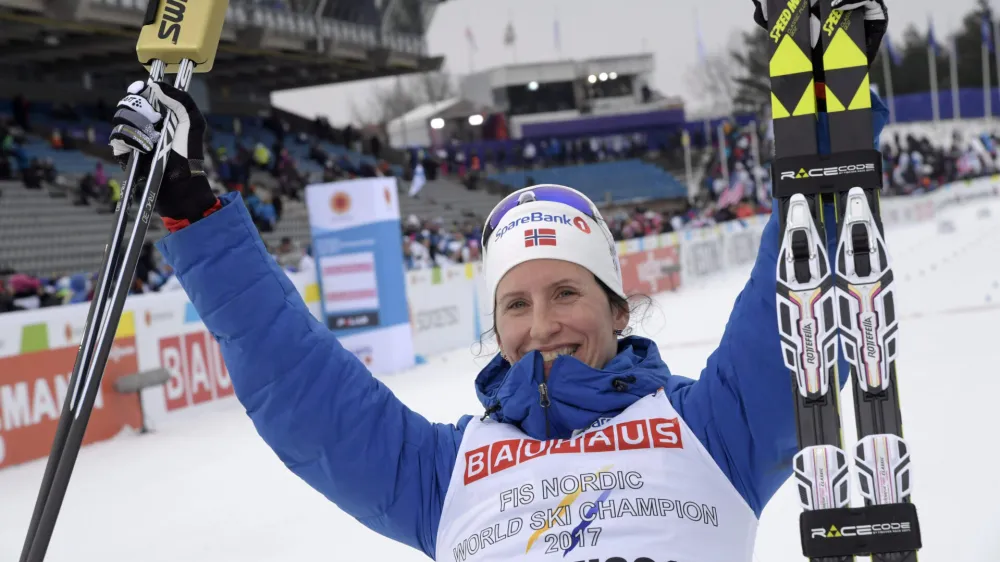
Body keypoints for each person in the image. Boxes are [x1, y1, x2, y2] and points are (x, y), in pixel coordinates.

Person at [107, 14, 888, 561]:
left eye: (567, 293)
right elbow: (302, 390)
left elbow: (800, 300)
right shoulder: (441, 473)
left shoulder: (716, 428)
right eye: (516, 303)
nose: (541, 324)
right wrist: (193, 210)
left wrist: (833, 104)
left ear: (618, 307)